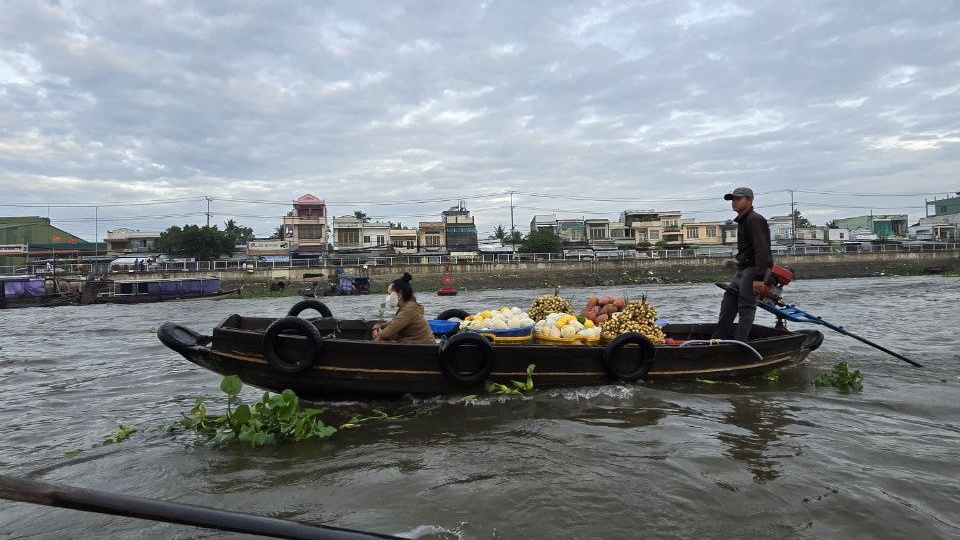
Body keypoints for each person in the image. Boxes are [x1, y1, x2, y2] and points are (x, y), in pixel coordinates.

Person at [713, 187, 773, 341]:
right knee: (728, 303)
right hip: (743, 269)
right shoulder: (743, 220)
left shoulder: (754, 219)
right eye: (733, 199)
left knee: (746, 307)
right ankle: (717, 340)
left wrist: (759, 277)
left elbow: (762, 250)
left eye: (738, 199)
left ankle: (740, 344)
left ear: (749, 200)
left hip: (754, 270)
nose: (734, 202)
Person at [372, 272, 435, 344]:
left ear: (398, 295)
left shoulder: (408, 310)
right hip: (416, 346)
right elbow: (393, 323)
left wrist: (378, 332)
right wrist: (378, 326)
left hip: (422, 349)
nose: (388, 297)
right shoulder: (408, 306)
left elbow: (385, 334)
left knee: (381, 340)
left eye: (389, 294)